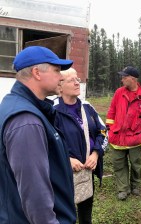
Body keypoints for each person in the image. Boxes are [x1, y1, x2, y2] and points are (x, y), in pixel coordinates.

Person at [0, 46, 76, 224]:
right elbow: (35, 195)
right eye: (56, 70)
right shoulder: (27, 121)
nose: (61, 76)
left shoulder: (16, 104)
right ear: (37, 73)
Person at [53, 68, 108, 224]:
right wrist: (67, 159)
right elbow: (47, 144)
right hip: (63, 173)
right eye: (72, 80)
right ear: (60, 86)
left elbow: (103, 132)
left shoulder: (87, 107)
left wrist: (96, 154)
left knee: (85, 212)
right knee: (65, 214)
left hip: (86, 171)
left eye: (78, 79)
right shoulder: (52, 110)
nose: (77, 83)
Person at [106, 66, 141, 200]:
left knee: (136, 164)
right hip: (117, 138)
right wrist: (110, 128)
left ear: (132, 79)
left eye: (124, 77)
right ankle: (123, 189)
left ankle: (135, 185)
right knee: (118, 164)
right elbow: (111, 111)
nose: (122, 80)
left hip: (135, 139)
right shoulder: (118, 93)